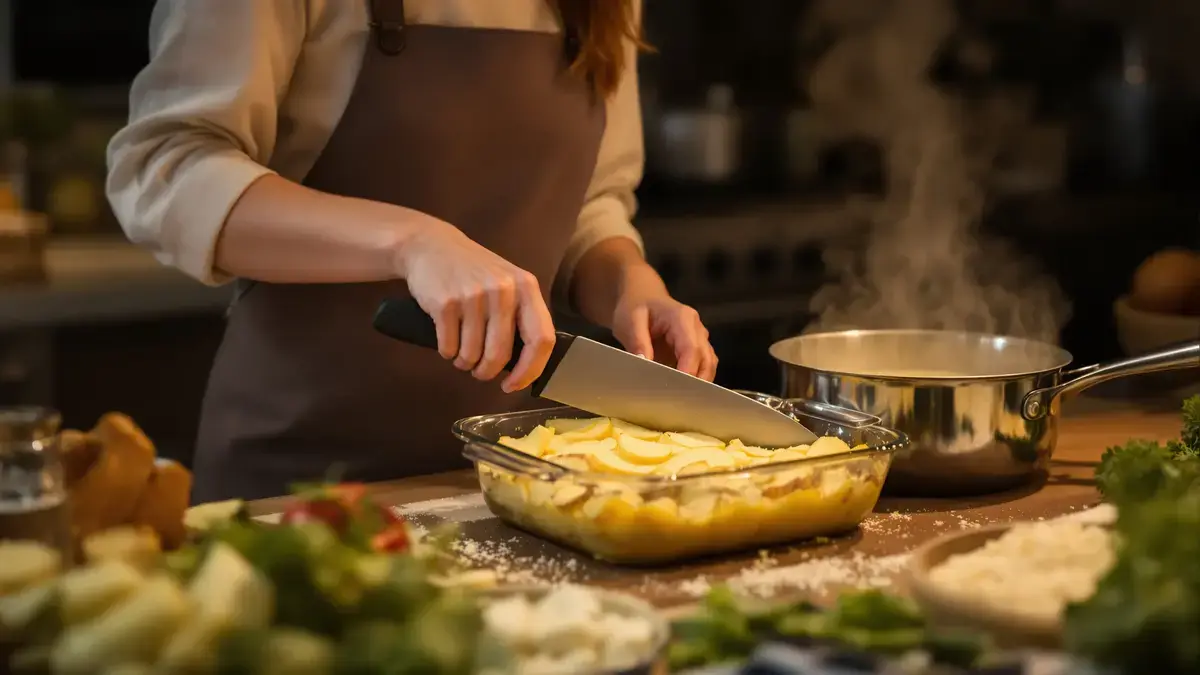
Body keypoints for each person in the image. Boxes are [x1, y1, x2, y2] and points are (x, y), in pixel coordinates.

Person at [106, 0, 718, 502]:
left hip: (513, 480)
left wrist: (631, 287)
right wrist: (412, 242)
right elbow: (167, 169)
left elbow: (591, 203)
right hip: (297, 481)